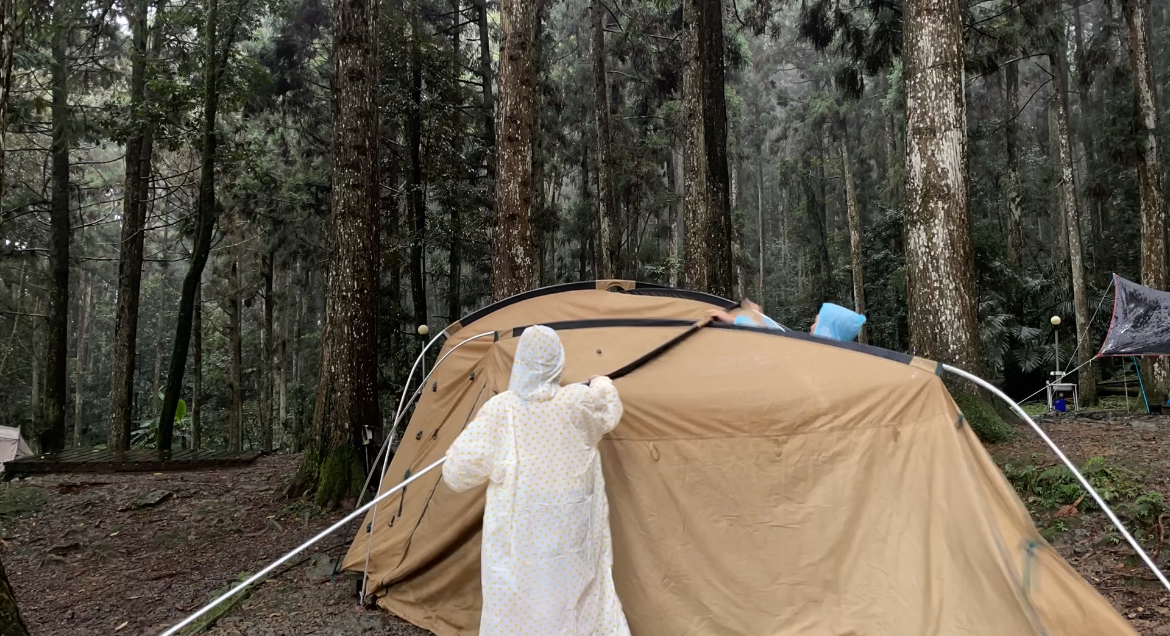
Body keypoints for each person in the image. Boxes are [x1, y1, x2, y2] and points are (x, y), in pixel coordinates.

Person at [442, 325, 631, 636]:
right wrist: (600, 383)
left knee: (519, 605)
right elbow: (608, 409)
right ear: (558, 361)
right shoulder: (577, 401)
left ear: (521, 363)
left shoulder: (501, 410)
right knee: (578, 601)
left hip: (519, 540)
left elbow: (456, 474)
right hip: (572, 535)